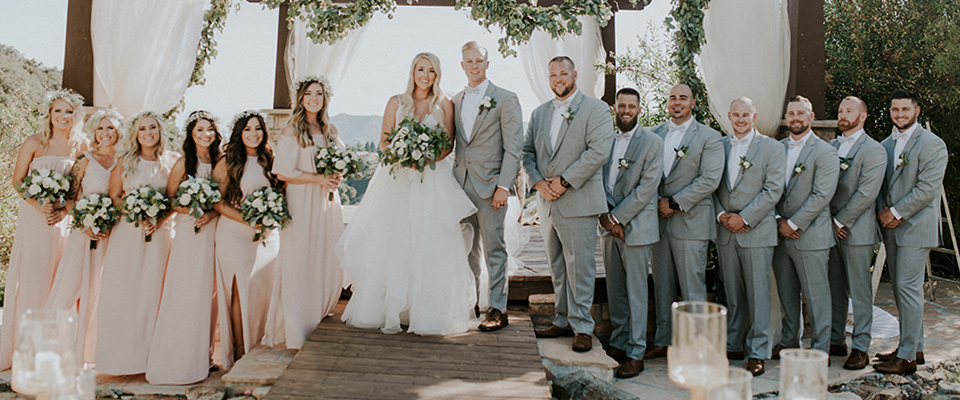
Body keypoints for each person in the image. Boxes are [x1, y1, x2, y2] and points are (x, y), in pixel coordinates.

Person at [338, 52, 478, 336]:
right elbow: (384, 140)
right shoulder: (396, 102)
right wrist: (403, 156)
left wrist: (426, 159)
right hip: (397, 180)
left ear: (437, 75)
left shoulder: (444, 104)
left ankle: (425, 311)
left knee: (430, 240)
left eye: (431, 71)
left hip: (432, 180)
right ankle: (387, 308)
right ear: (413, 71)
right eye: (421, 70)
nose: (425, 76)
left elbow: (448, 144)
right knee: (393, 239)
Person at [524, 56, 614, 352]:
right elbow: (527, 152)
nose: (558, 78)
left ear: (575, 74)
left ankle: (583, 327)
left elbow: (599, 151)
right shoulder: (538, 114)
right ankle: (561, 319)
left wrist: (564, 182)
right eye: (553, 74)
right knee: (558, 267)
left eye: (563, 73)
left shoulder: (596, 109)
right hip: (547, 202)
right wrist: (538, 183)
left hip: (578, 200)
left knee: (581, 268)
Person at [1, 90, 87, 370]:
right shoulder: (35, 142)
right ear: (49, 114)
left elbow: (77, 187)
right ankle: (26, 349)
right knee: (34, 277)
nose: (63, 117)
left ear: (76, 116)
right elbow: (17, 181)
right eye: (58, 111)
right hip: (35, 219)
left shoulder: (81, 145)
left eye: (69, 112)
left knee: (62, 277)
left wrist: (63, 210)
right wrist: (40, 206)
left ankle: (57, 348)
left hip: (63, 221)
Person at [262, 76, 344, 349]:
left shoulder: (331, 130)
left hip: (327, 202)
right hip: (301, 200)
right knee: (299, 259)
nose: (313, 98)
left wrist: (335, 177)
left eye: (318, 94)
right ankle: (296, 328)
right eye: (308, 93)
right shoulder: (291, 131)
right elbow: (284, 172)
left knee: (324, 255)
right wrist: (317, 179)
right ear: (301, 98)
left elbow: (339, 163)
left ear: (324, 99)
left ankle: (317, 315)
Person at [645, 84, 723, 360]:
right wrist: (655, 201)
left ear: (692, 104)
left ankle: (697, 347)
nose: (677, 103)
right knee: (662, 285)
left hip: (690, 221)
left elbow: (710, 178)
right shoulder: (652, 134)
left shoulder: (709, 137)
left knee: (693, 288)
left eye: (683, 98)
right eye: (672, 98)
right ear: (667, 104)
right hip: (657, 221)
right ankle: (664, 341)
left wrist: (675, 203)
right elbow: (646, 174)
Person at [97, 111, 179, 375]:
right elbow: (114, 194)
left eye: (152, 127)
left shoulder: (172, 161)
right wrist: (135, 211)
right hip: (127, 233)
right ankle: (120, 357)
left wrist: (158, 218)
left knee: (153, 291)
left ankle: (150, 357)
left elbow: (174, 199)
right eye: (142, 129)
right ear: (135, 133)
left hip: (159, 233)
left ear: (160, 130)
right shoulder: (125, 160)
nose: (147, 133)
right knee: (123, 290)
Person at [874, 89, 947, 375]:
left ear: (916, 111)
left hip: (915, 228)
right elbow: (880, 184)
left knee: (908, 290)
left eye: (905, 110)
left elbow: (927, 189)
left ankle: (906, 359)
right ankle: (913, 347)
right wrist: (883, 211)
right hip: (891, 228)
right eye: (895, 110)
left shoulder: (933, 144)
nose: (900, 115)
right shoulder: (885, 144)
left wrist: (896, 212)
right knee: (903, 290)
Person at [146, 110, 222, 384]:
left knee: (210, 295)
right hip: (189, 234)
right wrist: (191, 208)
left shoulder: (221, 162)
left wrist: (211, 213)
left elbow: (225, 198)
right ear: (191, 134)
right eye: (200, 130)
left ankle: (206, 355)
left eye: (210, 130)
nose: (205, 135)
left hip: (214, 230)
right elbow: (170, 200)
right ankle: (177, 356)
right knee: (185, 291)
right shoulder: (183, 163)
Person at [452, 41, 523, 331]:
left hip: (492, 186)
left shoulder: (505, 98)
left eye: (479, 61)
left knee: (495, 250)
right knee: (466, 249)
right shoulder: (455, 100)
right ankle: (471, 302)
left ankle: (497, 308)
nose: (474, 66)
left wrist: (504, 186)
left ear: (487, 63)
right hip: (460, 186)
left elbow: (514, 147)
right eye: (469, 61)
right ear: (462, 65)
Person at [714, 97, 785, 376]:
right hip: (725, 231)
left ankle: (758, 352)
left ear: (754, 116)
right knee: (732, 293)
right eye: (736, 115)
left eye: (746, 115)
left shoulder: (771, 148)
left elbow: (773, 189)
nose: (741, 119)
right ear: (729, 117)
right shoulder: (718, 146)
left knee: (758, 295)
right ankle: (733, 344)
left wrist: (744, 218)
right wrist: (722, 216)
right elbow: (712, 185)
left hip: (756, 230)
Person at [45, 108, 122, 367]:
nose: (105, 133)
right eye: (100, 128)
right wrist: (86, 221)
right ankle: (46, 350)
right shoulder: (85, 159)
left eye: (110, 127)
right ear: (94, 132)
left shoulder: (125, 159)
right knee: (68, 287)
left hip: (114, 236)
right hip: (82, 232)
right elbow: (69, 199)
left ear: (118, 131)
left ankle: (90, 354)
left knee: (102, 293)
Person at [598, 87, 662, 377]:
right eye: (621, 105)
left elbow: (647, 188)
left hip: (635, 227)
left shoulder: (652, 142)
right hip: (609, 227)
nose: (626, 110)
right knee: (616, 291)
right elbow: (597, 179)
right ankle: (619, 342)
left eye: (631, 106)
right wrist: (606, 218)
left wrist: (617, 217)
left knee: (636, 293)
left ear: (639, 109)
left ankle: (636, 353)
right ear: (615, 108)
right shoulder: (605, 140)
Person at [771, 95, 839, 358]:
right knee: (787, 295)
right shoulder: (777, 148)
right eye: (791, 114)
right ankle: (789, 342)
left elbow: (822, 195)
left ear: (811, 117)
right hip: (780, 233)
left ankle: (821, 350)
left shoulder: (825, 151)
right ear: (786, 118)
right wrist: (779, 221)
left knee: (816, 297)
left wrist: (794, 223)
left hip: (811, 236)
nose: (796, 118)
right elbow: (770, 189)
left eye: (801, 113)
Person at [212, 111, 280, 370]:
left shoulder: (270, 159)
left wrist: (271, 218)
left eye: (258, 128)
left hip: (268, 236)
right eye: (248, 129)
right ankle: (241, 352)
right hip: (235, 234)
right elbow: (216, 201)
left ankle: (262, 347)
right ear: (240, 133)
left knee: (264, 293)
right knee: (240, 291)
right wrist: (248, 220)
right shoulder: (228, 161)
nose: (254, 134)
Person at [826, 96, 886, 370]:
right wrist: (828, 222)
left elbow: (867, 194)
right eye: (840, 110)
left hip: (856, 230)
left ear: (863, 116)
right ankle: (836, 339)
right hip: (829, 229)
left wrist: (840, 221)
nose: (843, 114)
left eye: (849, 110)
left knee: (859, 291)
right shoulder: (830, 147)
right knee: (834, 287)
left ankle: (861, 347)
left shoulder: (874, 150)